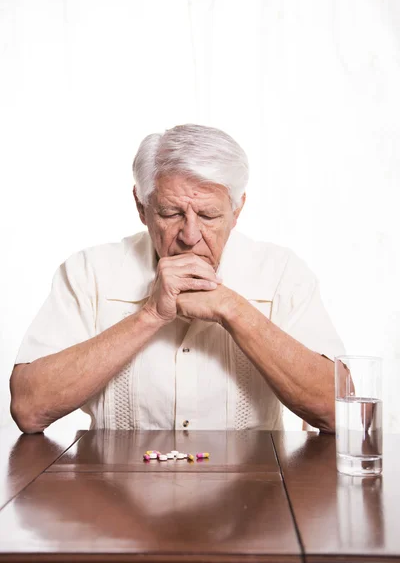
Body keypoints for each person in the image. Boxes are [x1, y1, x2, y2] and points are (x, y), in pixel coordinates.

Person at [10, 124, 344, 434]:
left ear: (237, 211)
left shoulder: (282, 272)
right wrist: (150, 315)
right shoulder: (87, 271)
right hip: (111, 491)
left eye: (209, 215)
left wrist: (232, 308)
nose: (190, 235)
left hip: (252, 492)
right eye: (171, 213)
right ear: (141, 207)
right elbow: (28, 408)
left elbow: (334, 410)